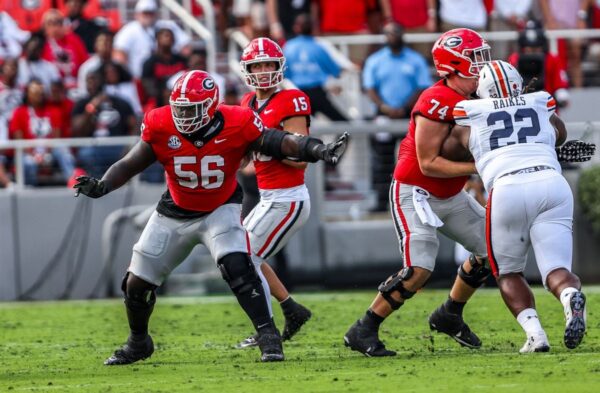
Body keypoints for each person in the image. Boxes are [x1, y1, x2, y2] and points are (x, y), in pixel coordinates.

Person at [72, 70, 348, 365]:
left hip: (220, 207)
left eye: (190, 109)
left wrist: (317, 148)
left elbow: (280, 142)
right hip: (174, 211)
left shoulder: (237, 121)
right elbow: (131, 163)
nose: (183, 115)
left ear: (210, 106)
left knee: (238, 265)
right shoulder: (160, 122)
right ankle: (139, 342)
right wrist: (103, 185)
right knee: (136, 284)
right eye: (179, 108)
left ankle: (268, 337)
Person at [343, 28, 492, 357]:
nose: (482, 65)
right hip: (417, 191)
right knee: (419, 269)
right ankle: (363, 328)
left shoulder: (483, 96)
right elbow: (428, 163)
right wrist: (479, 169)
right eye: (474, 58)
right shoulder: (436, 99)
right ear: (452, 64)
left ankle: (450, 313)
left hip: (452, 193)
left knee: (493, 250)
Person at [443, 60, 589, 352]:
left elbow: (448, 151)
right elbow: (558, 134)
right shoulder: (539, 101)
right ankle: (569, 295)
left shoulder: (469, 113)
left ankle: (536, 336)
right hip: (551, 182)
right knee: (556, 269)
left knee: (508, 272)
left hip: (507, 188)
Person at [235, 38, 313, 349]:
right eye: (258, 65)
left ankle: (266, 328)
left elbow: (303, 156)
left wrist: (270, 143)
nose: (265, 71)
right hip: (268, 197)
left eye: (269, 64)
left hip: (288, 197)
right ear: (247, 70)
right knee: (242, 253)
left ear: (280, 67)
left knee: (243, 259)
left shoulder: (292, 100)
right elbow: (243, 155)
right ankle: (291, 309)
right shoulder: (246, 104)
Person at [362, 22, 432, 212]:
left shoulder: (415, 59)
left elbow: (422, 85)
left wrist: (404, 107)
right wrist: (384, 107)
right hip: (384, 116)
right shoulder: (375, 60)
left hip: (409, 115)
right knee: (382, 159)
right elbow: (370, 88)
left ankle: (416, 201)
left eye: (395, 32)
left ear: (402, 34)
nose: (392, 36)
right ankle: (381, 201)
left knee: (413, 158)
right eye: (388, 33)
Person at [283, 14, 349, 121]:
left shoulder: (288, 46)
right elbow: (335, 71)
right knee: (344, 125)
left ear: (296, 27)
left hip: (296, 94)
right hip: (316, 94)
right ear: (313, 28)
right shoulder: (318, 46)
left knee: (302, 129)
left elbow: (285, 74)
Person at [113, 0, 191, 79]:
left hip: (167, 72)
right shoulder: (129, 30)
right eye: (145, 13)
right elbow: (119, 53)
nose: (148, 16)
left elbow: (185, 47)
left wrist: (174, 61)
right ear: (137, 14)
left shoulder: (167, 26)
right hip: (140, 77)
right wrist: (129, 75)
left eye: (150, 13)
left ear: (156, 13)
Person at [508, 24, 570, 109]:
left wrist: (561, 96)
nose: (533, 53)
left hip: (547, 109)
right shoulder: (514, 59)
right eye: (529, 49)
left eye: (536, 49)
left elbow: (560, 86)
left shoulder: (552, 59)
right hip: (521, 109)